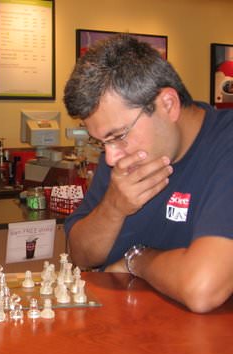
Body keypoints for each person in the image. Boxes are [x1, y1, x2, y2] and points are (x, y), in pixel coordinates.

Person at [63, 34, 233, 313]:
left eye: (118, 136)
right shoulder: (123, 157)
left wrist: (137, 259)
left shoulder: (225, 145)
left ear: (168, 104)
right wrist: (113, 208)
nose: (110, 157)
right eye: (101, 142)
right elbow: (80, 255)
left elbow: (203, 287)